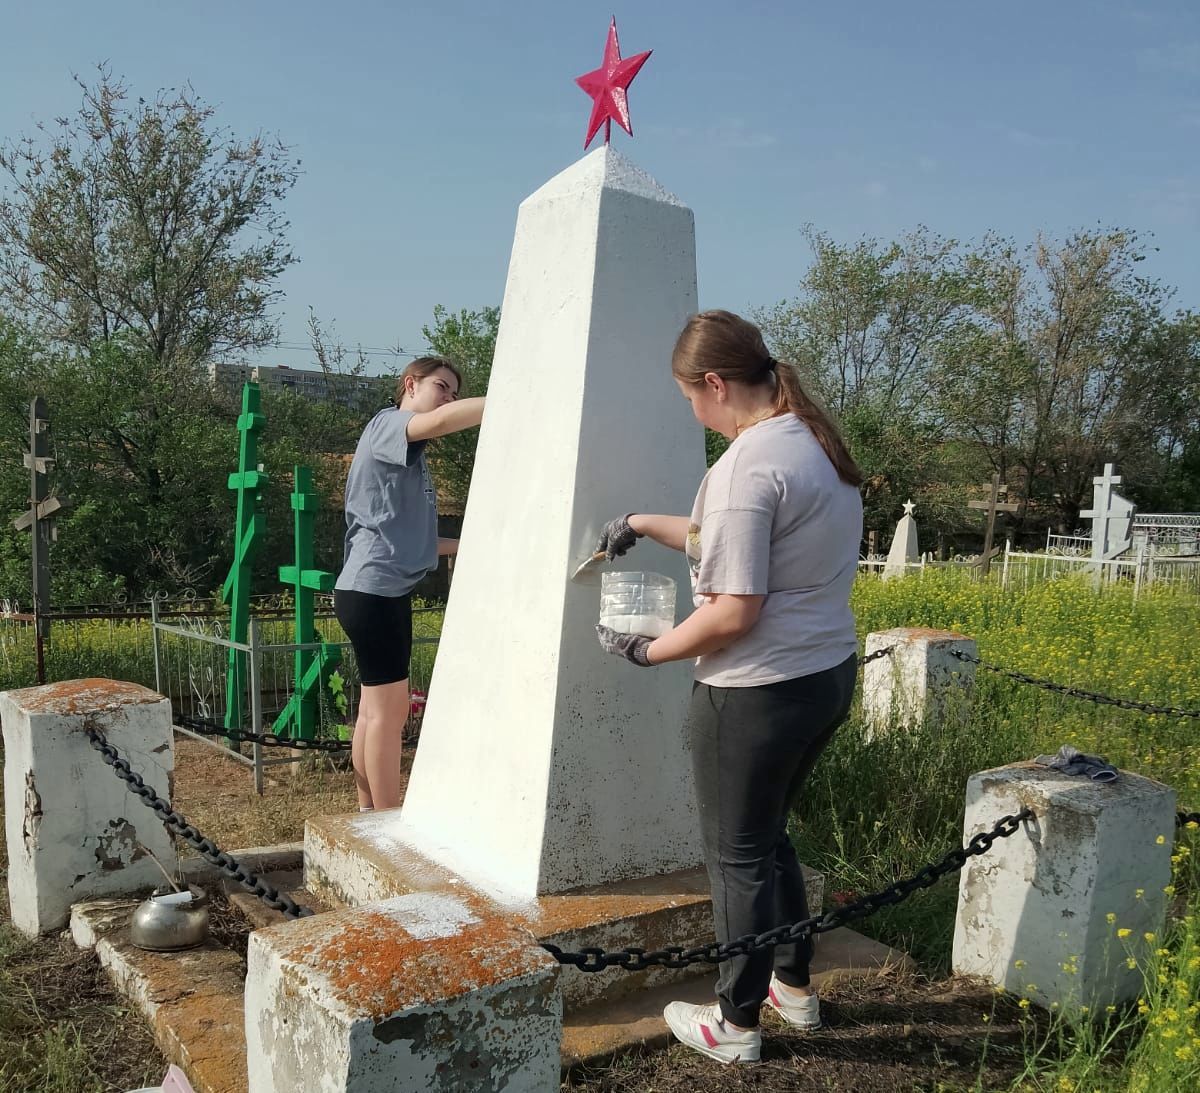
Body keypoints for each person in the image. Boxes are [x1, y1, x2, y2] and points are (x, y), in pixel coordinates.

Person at [595, 309, 863, 1065]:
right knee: (769, 837)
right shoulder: (812, 443)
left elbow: (734, 612)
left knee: (736, 855)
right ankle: (795, 988)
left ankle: (735, 1023)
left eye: (689, 396)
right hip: (823, 678)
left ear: (714, 383)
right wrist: (645, 521)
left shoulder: (748, 462)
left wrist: (648, 651)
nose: (693, 411)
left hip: (755, 691)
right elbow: (737, 538)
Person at [335, 356, 485, 812]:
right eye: (442, 386)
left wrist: (473, 543)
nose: (449, 398)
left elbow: (417, 539)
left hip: (379, 590)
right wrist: (509, 397)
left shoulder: (410, 462)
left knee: (372, 710)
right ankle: (386, 822)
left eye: (455, 392)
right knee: (389, 713)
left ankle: (367, 812)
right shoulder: (387, 425)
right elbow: (438, 422)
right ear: (410, 384)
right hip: (374, 591)